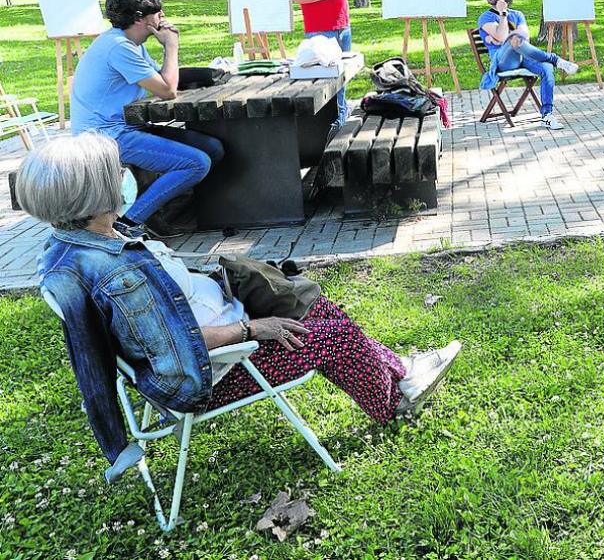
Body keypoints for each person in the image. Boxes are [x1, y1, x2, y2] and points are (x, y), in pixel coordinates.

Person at [16, 133, 463, 483]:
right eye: (116, 172)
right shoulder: (119, 278)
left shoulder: (75, 243)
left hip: (221, 326)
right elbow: (175, 348)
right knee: (332, 336)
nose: (126, 175)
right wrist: (253, 329)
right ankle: (394, 404)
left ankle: (401, 371)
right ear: (92, 193)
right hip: (216, 371)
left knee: (313, 302)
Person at [70, 0, 223, 237]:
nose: (162, 17)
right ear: (140, 18)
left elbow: (163, 79)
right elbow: (167, 90)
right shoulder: (118, 47)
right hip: (104, 137)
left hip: (126, 126)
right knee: (196, 163)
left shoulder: (130, 44)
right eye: (158, 12)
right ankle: (129, 222)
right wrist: (171, 46)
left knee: (213, 148)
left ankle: (164, 212)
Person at [477, 0, 579, 130]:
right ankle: (555, 59)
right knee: (513, 39)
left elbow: (525, 37)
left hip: (523, 56)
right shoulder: (486, 17)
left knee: (546, 68)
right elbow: (502, 37)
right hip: (503, 61)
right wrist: (502, 14)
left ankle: (547, 115)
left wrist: (508, 36)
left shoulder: (518, 14)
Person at [291, 0, 354, 129]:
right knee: (325, 80)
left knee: (342, 77)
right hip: (321, 30)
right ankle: (327, 126)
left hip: (342, 25)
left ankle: (341, 118)